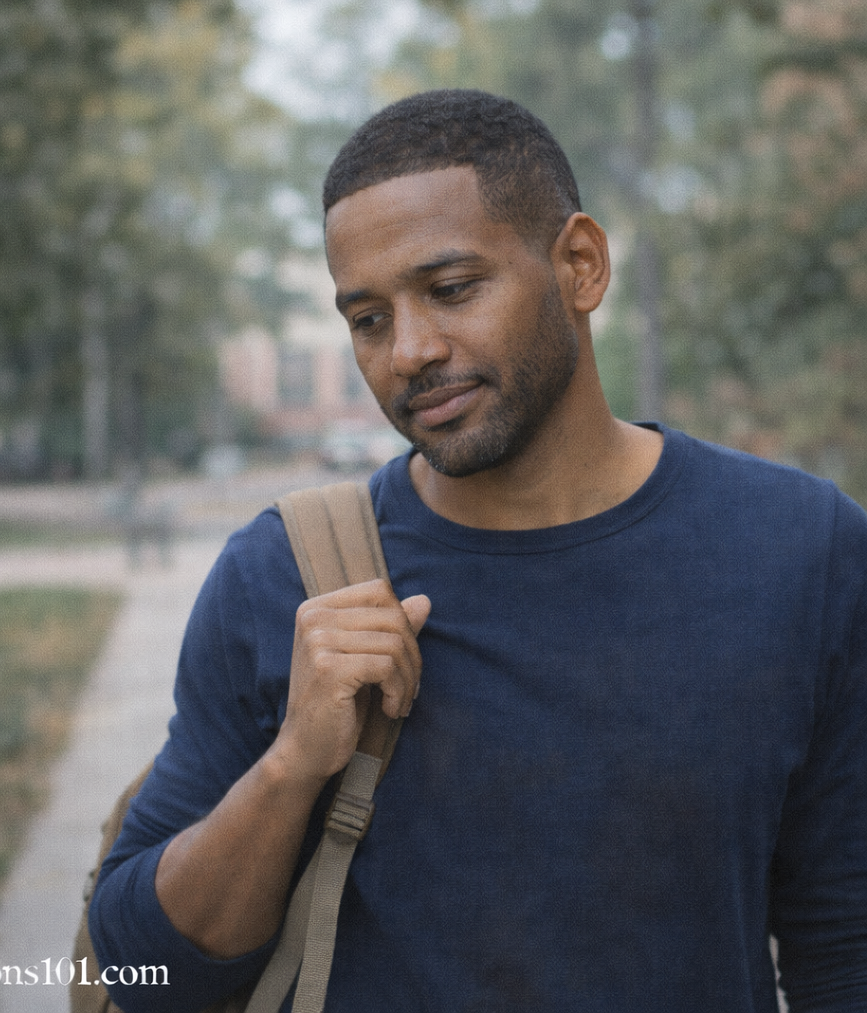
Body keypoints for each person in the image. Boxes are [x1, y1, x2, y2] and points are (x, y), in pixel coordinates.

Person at [90, 89, 867, 1012]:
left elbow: (841, 941)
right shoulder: (287, 574)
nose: (409, 351)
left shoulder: (799, 551)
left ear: (579, 265)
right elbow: (147, 974)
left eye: (451, 290)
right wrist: (294, 763)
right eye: (368, 319)